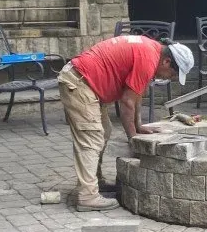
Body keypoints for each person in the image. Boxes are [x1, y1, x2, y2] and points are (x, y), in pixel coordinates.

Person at [58, 35, 194, 211]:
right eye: (173, 75)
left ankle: (94, 182)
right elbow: (126, 103)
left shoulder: (151, 51)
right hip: (79, 82)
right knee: (91, 137)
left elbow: (135, 95)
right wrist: (133, 138)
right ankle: (87, 197)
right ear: (167, 62)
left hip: (86, 82)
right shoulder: (148, 59)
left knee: (104, 131)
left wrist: (138, 126)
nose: (170, 78)